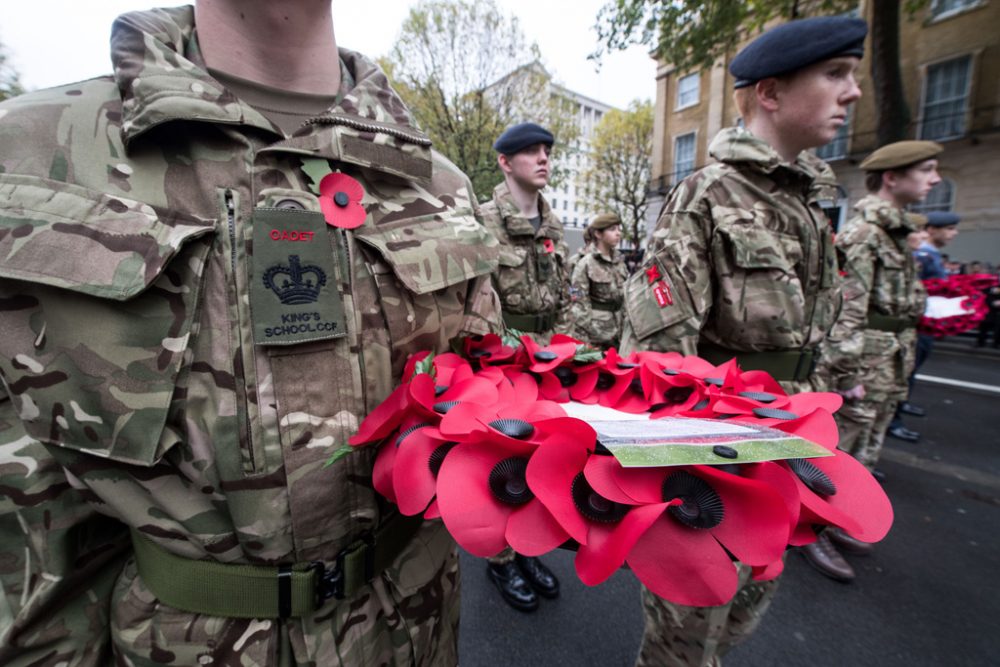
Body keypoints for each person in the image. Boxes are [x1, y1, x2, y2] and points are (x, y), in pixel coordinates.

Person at [0, 2, 503, 664]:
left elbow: (484, 413)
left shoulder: (438, 185)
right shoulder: (34, 157)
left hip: (417, 631)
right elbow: (25, 519)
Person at [620, 14, 865, 666]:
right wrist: (693, 481)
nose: (854, 92)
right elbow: (655, 357)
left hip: (789, 447)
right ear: (771, 93)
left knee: (739, 619)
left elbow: (823, 324)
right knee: (684, 641)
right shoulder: (706, 196)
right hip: (715, 463)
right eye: (836, 74)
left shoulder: (812, 201)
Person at [809, 142, 941, 581]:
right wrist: (845, 373)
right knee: (836, 454)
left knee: (866, 451)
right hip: (861, 365)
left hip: (889, 357)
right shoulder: (863, 234)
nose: (934, 179)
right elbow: (845, 309)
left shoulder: (896, 235)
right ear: (892, 177)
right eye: (926, 170)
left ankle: (836, 519)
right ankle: (812, 527)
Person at [479, 122, 569, 612]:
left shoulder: (554, 228)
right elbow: (471, 298)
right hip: (501, 359)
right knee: (499, 460)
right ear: (504, 162)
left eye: (547, 151)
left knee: (540, 459)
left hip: (549, 361)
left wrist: (572, 353)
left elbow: (568, 298)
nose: (543, 158)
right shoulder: (483, 220)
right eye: (530, 151)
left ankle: (529, 548)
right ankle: (499, 557)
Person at [886, 210, 962, 443]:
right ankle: (894, 419)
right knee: (903, 375)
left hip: (921, 325)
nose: (954, 233)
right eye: (949, 228)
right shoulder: (924, 257)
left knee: (908, 374)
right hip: (915, 325)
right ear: (932, 230)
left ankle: (897, 411)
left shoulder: (929, 255)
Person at [569, 213, 629, 349]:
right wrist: (583, 342)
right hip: (596, 336)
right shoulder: (585, 263)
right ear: (598, 234)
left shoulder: (620, 262)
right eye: (612, 229)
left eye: (619, 229)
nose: (618, 233)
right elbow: (578, 303)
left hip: (619, 335)